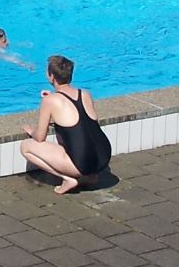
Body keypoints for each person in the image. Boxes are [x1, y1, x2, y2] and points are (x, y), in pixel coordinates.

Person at [19, 55, 111, 195]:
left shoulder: (50, 100)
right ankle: (90, 177)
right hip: (103, 157)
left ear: (51, 76)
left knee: (26, 146)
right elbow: (83, 125)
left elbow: (40, 138)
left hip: (82, 163)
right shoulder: (85, 94)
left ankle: (68, 178)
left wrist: (32, 131)